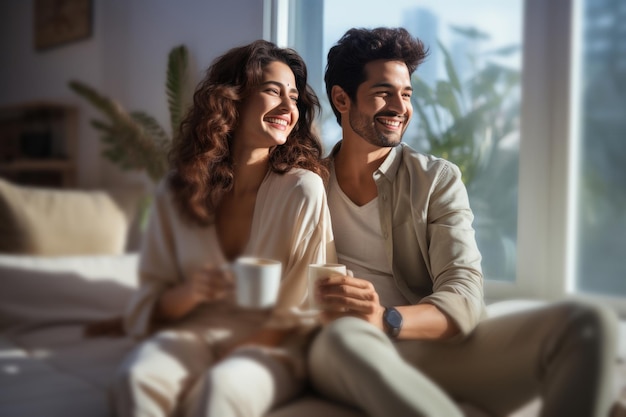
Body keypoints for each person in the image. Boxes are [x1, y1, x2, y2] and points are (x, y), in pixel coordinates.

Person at [308, 27, 619, 417]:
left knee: (588, 324)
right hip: (344, 349)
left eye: (406, 95)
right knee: (343, 337)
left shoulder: (436, 179)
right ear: (341, 98)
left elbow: (465, 293)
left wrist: (385, 318)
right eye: (383, 92)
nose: (399, 106)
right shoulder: (309, 182)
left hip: (422, 343)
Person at [113, 39, 335, 417]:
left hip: (275, 345)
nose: (288, 107)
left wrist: (247, 347)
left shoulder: (302, 189)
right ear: (232, 99)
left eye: (294, 97)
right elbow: (151, 301)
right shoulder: (177, 190)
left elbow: (309, 303)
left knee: (220, 390)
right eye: (272, 91)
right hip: (194, 333)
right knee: (136, 379)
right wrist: (192, 292)